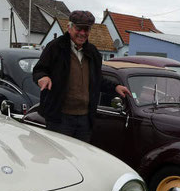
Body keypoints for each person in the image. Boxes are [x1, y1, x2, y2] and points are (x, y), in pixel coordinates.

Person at [32, 10, 131, 142]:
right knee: (60, 157)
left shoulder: (93, 52)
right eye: (79, 28)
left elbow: (97, 80)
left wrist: (116, 87)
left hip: (85, 119)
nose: (83, 33)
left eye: (87, 29)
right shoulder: (55, 47)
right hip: (60, 117)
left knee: (80, 158)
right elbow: (39, 70)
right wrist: (42, 77)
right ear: (70, 27)